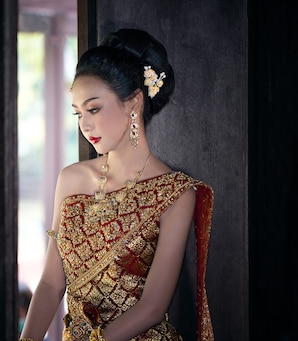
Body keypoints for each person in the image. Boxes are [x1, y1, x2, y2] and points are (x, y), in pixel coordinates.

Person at [19, 29, 214, 341]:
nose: (84, 125)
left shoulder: (176, 193)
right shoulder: (72, 179)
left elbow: (153, 306)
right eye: (78, 113)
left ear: (134, 102)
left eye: (94, 109)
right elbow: (51, 283)